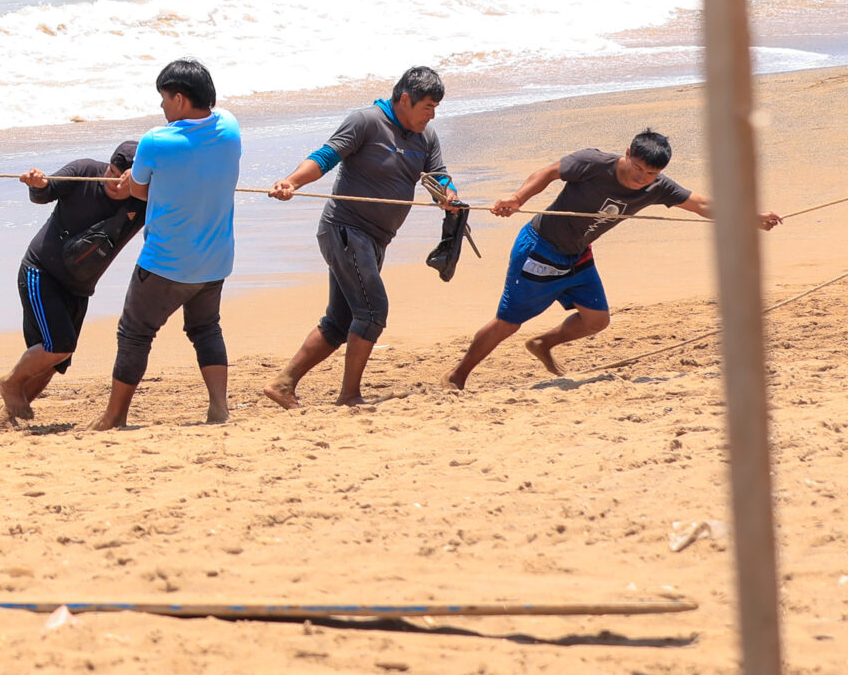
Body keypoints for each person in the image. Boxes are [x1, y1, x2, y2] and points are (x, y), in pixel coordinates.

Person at [443, 130, 782, 389]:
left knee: (597, 320)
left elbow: (700, 204)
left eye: (650, 174)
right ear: (627, 154)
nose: (641, 179)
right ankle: (457, 376)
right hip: (540, 247)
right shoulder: (593, 163)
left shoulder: (657, 187)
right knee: (508, 323)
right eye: (637, 169)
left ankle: (543, 343)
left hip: (578, 255)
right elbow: (548, 172)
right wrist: (517, 198)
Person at [262, 68, 460, 409]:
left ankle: (282, 384)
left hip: (377, 239)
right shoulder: (365, 122)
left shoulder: (426, 137)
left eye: (436, 107)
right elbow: (325, 157)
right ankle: (350, 396)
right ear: (404, 99)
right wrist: (292, 182)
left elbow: (440, 177)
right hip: (345, 230)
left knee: (340, 323)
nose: (432, 114)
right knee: (371, 311)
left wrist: (449, 196)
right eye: (428, 106)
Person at [96, 60, 240, 431]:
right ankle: (219, 409)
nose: (161, 107)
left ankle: (114, 416)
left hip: (166, 262)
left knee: (135, 333)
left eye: (163, 98)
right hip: (215, 259)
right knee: (206, 329)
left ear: (179, 98)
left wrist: (133, 179)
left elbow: (140, 192)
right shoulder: (230, 126)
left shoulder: (157, 140)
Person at [0, 141, 145, 424]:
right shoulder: (85, 171)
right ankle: (9, 384)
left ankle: (8, 415)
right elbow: (45, 192)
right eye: (112, 173)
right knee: (59, 345)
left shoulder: (143, 200)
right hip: (41, 273)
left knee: (56, 360)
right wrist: (38, 183)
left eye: (123, 179)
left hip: (79, 287)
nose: (114, 183)